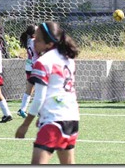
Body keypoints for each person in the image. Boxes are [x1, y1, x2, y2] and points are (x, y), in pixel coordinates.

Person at [15, 21, 80, 165]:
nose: (34, 43)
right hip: (72, 118)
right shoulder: (68, 59)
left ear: (49, 44)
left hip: (54, 120)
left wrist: (25, 125)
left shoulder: (43, 62)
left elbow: (38, 99)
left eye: (37, 40)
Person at [17, 25, 39, 118]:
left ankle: (22, 109)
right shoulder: (35, 42)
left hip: (29, 66)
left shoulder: (29, 40)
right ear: (34, 34)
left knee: (29, 89)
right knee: (41, 89)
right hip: (36, 67)